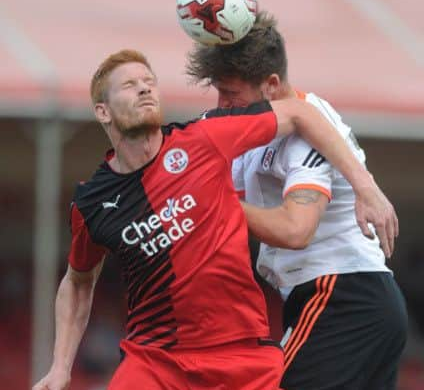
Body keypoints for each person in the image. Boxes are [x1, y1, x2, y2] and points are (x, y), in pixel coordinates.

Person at [33, 48, 398, 390]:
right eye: (130, 85)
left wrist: (366, 187)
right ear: (103, 111)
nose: (145, 88)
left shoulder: (204, 138)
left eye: (149, 81)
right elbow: (78, 282)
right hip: (156, 361)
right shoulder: (91, 202)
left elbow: (300, 112)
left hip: (242, 355)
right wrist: (60, 367)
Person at [186, 12, 408, 390]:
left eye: (232, 94)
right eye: (218, 92)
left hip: (343, 297)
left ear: (271, 84)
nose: (222, 104)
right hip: (336, 302)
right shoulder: (256, 133)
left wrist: (215, 203)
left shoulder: (310, 134)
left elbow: (295, 229)